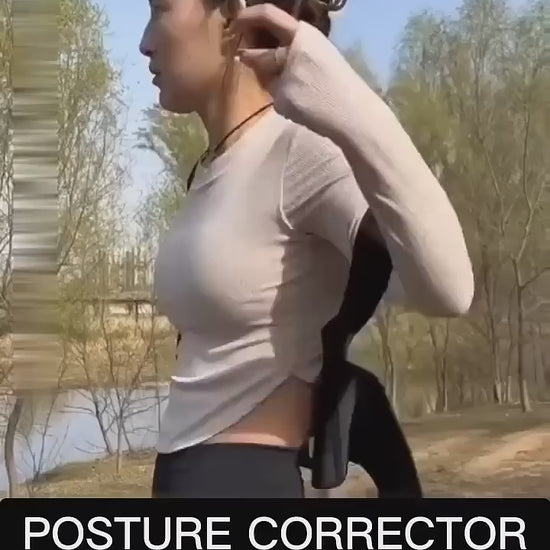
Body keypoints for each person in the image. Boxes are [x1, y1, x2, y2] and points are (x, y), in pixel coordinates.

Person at [140, 0, 474, 498]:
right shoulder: (215, 167)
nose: (145, 42)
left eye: (160, 8)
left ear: (230, 14)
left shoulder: (303, 150)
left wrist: (341, 94)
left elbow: (449, 290)